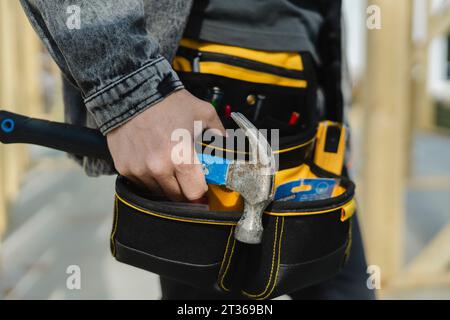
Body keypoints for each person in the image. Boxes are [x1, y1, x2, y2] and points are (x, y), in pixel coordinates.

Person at [20, 0, 374, 300]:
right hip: (208, 82)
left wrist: (334, 117)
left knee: (346, 285)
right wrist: (135, 93)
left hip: (306, 102)